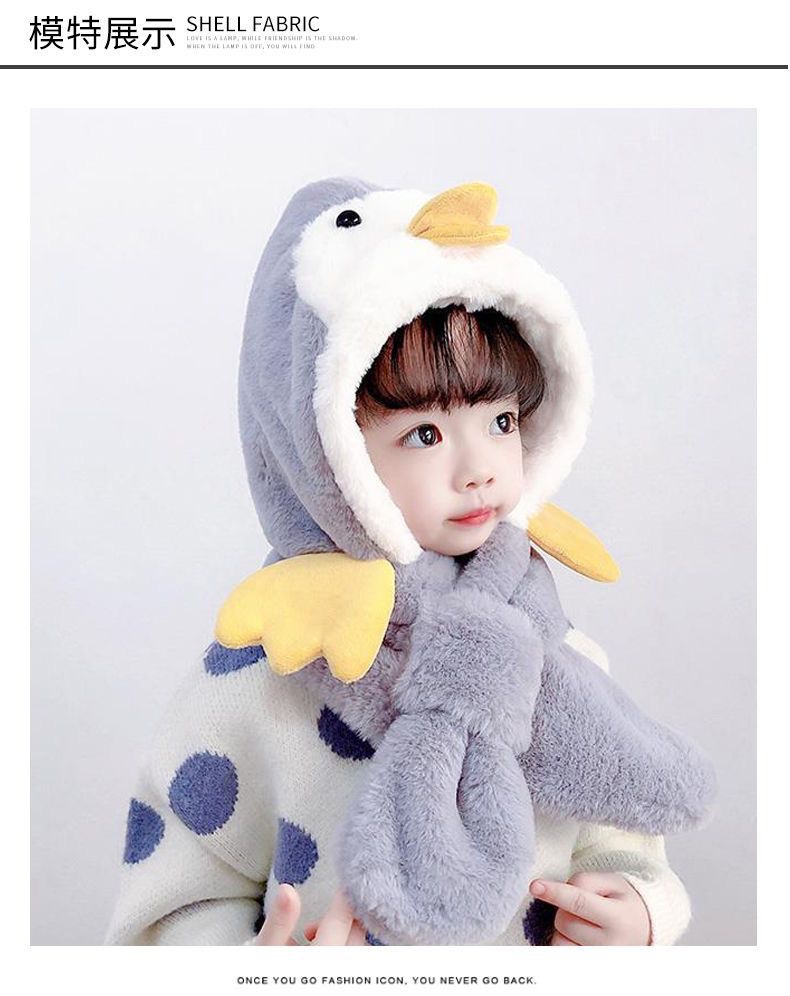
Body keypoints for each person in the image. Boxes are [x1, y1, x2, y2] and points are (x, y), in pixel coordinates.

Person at [105, 178, 714, 947]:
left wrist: (642, 912)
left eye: (501, 420)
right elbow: (175, 890)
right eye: (424, 434)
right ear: (325, 454)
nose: (479, 469)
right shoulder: (264, 674)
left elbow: (628, 848)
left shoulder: (554, 652)